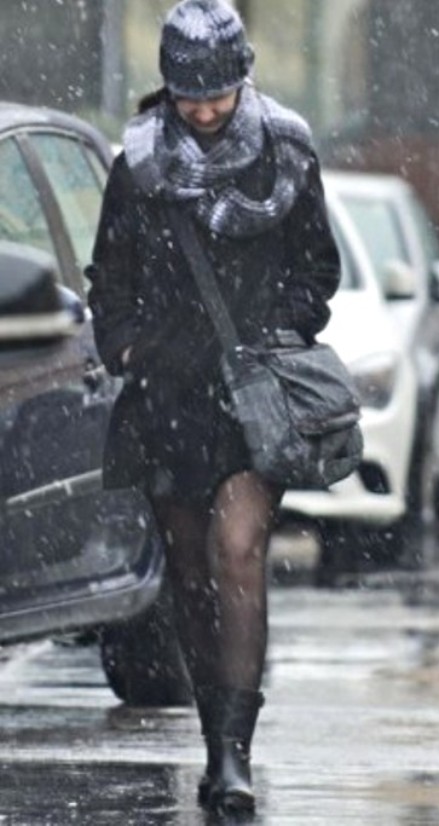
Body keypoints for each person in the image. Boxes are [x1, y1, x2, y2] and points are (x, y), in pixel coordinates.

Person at [86, 0, 340, 815]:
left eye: (218, 95)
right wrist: (129, 348)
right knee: (191, 575)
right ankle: (212, 735)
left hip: (251, 397)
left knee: (237, 551)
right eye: (188, 96)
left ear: (242, 79)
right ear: (167, 85)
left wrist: (276, 333)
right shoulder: (138, 164)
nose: (202, 111)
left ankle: (234, 757)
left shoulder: (286, 151)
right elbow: (108, 280)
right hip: (166, 398)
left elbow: (318, 269)